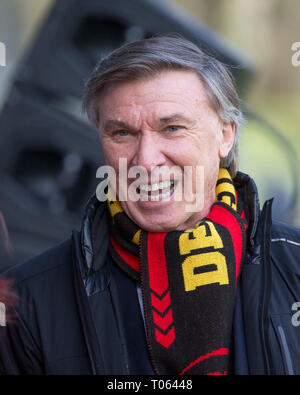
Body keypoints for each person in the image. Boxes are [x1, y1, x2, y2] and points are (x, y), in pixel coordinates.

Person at [0, 35, 300, 375]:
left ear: (225, 134)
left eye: (172, 128)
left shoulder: (295, 266)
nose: (145, 160)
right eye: (122, 134)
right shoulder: (25, 303)